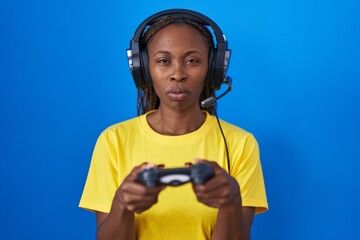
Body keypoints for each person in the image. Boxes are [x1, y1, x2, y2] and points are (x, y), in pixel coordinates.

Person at [79, 9, 268, 240]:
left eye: (192, 60)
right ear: (143, 69)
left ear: (213, 70)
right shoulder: (112, 141)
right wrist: (122, 205)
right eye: (163, 61)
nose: (177, 74)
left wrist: (231, 202)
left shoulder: (240, 144)